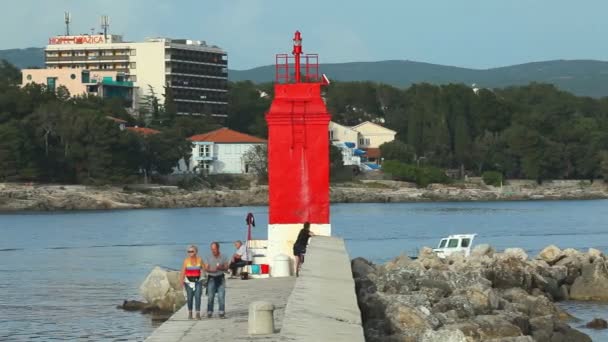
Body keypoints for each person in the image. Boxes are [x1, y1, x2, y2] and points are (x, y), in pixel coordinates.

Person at [179, 245, 204, 320]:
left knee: (198, 297)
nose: (190, 253)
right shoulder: (186, 261)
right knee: (189, 298)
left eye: (192, 251)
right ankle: (190, 313)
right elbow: (183, 272)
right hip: (188, 282)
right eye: (189, 251)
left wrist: (204, 276)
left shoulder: (200, 260)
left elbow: (204, 268)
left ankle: (197, 313)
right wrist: (181, 282)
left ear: (196, 252)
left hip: (198, 281)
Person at [205, 241, 229, 318]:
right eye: (212, 249)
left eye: (214, 249)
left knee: (221, 296)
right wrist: (212, 271)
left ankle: (221, 312)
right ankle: (209, 311)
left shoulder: (224, 256)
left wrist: (220, 268)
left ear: (218, 248)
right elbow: (206, 268)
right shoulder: (208, 257)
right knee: (210, 296)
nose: (213, 251)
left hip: (220, 277)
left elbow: (226, 268)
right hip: (211, 278)